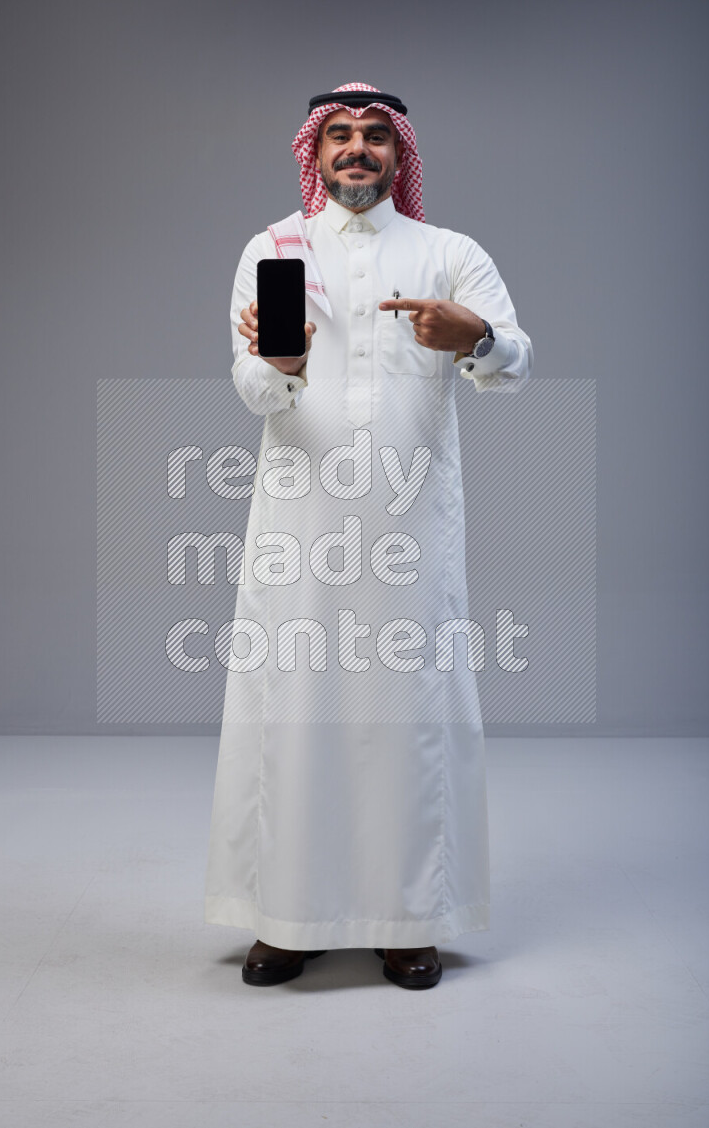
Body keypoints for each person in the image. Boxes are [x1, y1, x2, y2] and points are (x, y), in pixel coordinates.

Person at [204, 82, 533, 989]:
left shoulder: (446, 252)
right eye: (339, 135)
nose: (356, 149)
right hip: (299, 525)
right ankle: (288, 918)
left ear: (400, 154)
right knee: (296, 714)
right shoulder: (273, 248)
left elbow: (516, 362)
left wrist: (475, 340)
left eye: (374, 137)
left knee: (406, 718)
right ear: (314, 152)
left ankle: (406, 917)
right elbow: (249, 388)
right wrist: (279, 364)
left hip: (408, 526)